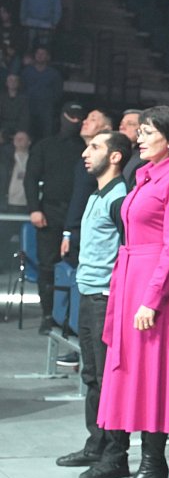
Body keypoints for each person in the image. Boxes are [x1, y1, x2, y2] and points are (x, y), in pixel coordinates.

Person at [98, 106, 169, 478]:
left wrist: (151, 299)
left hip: (153, 283)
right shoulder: (143, 174)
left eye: (148, 132)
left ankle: (154, 466)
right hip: (130, 277)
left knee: (152, 373)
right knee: (129, 371)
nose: (139, 138)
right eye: (139, 131)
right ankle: (133, 459)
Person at [53, 131, 130, 478]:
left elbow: (127, 250)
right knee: (91, 375)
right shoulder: (97, 194)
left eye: (95, 147)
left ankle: (115, 454)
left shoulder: (119, 198)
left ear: (115, 156)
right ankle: (96, 444)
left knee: (107, 377)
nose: (86, 152)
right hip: (88, 293)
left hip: (106, 298)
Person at [25, 100, 84, 333]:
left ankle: (70, 316)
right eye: (71, 116)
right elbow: (30, 178)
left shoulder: (84, 147)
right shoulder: (45, 146)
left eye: (79, 117)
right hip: (49, 212)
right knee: (47, 265)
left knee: (75, 264)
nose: (75, 121)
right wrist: (34, 208)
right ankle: (48, 315)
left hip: (77, 213)